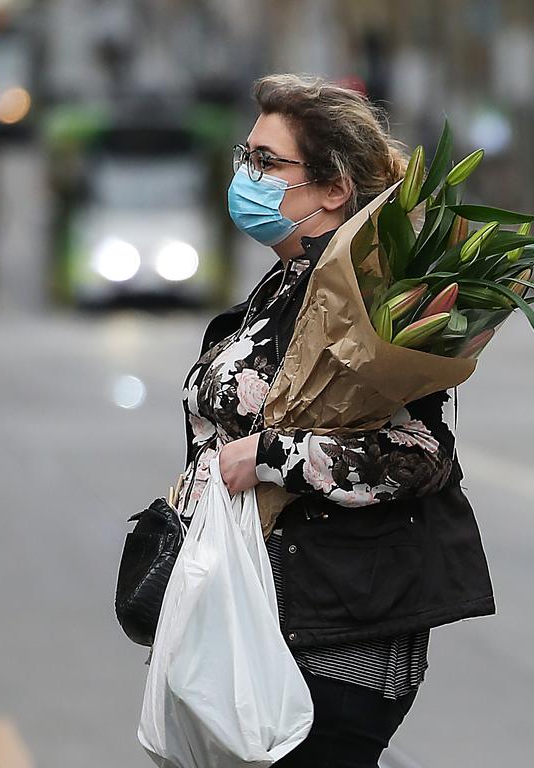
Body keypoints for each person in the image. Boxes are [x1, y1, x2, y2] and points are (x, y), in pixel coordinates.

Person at [175, 74, 496, 768]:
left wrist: (267, 456)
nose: (246, 175)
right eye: (245, 155)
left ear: (333, 189)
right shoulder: (284, 285)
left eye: (267, 162)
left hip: (334, 637)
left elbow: (421, 452)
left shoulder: (376, 296)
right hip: (259, 615)